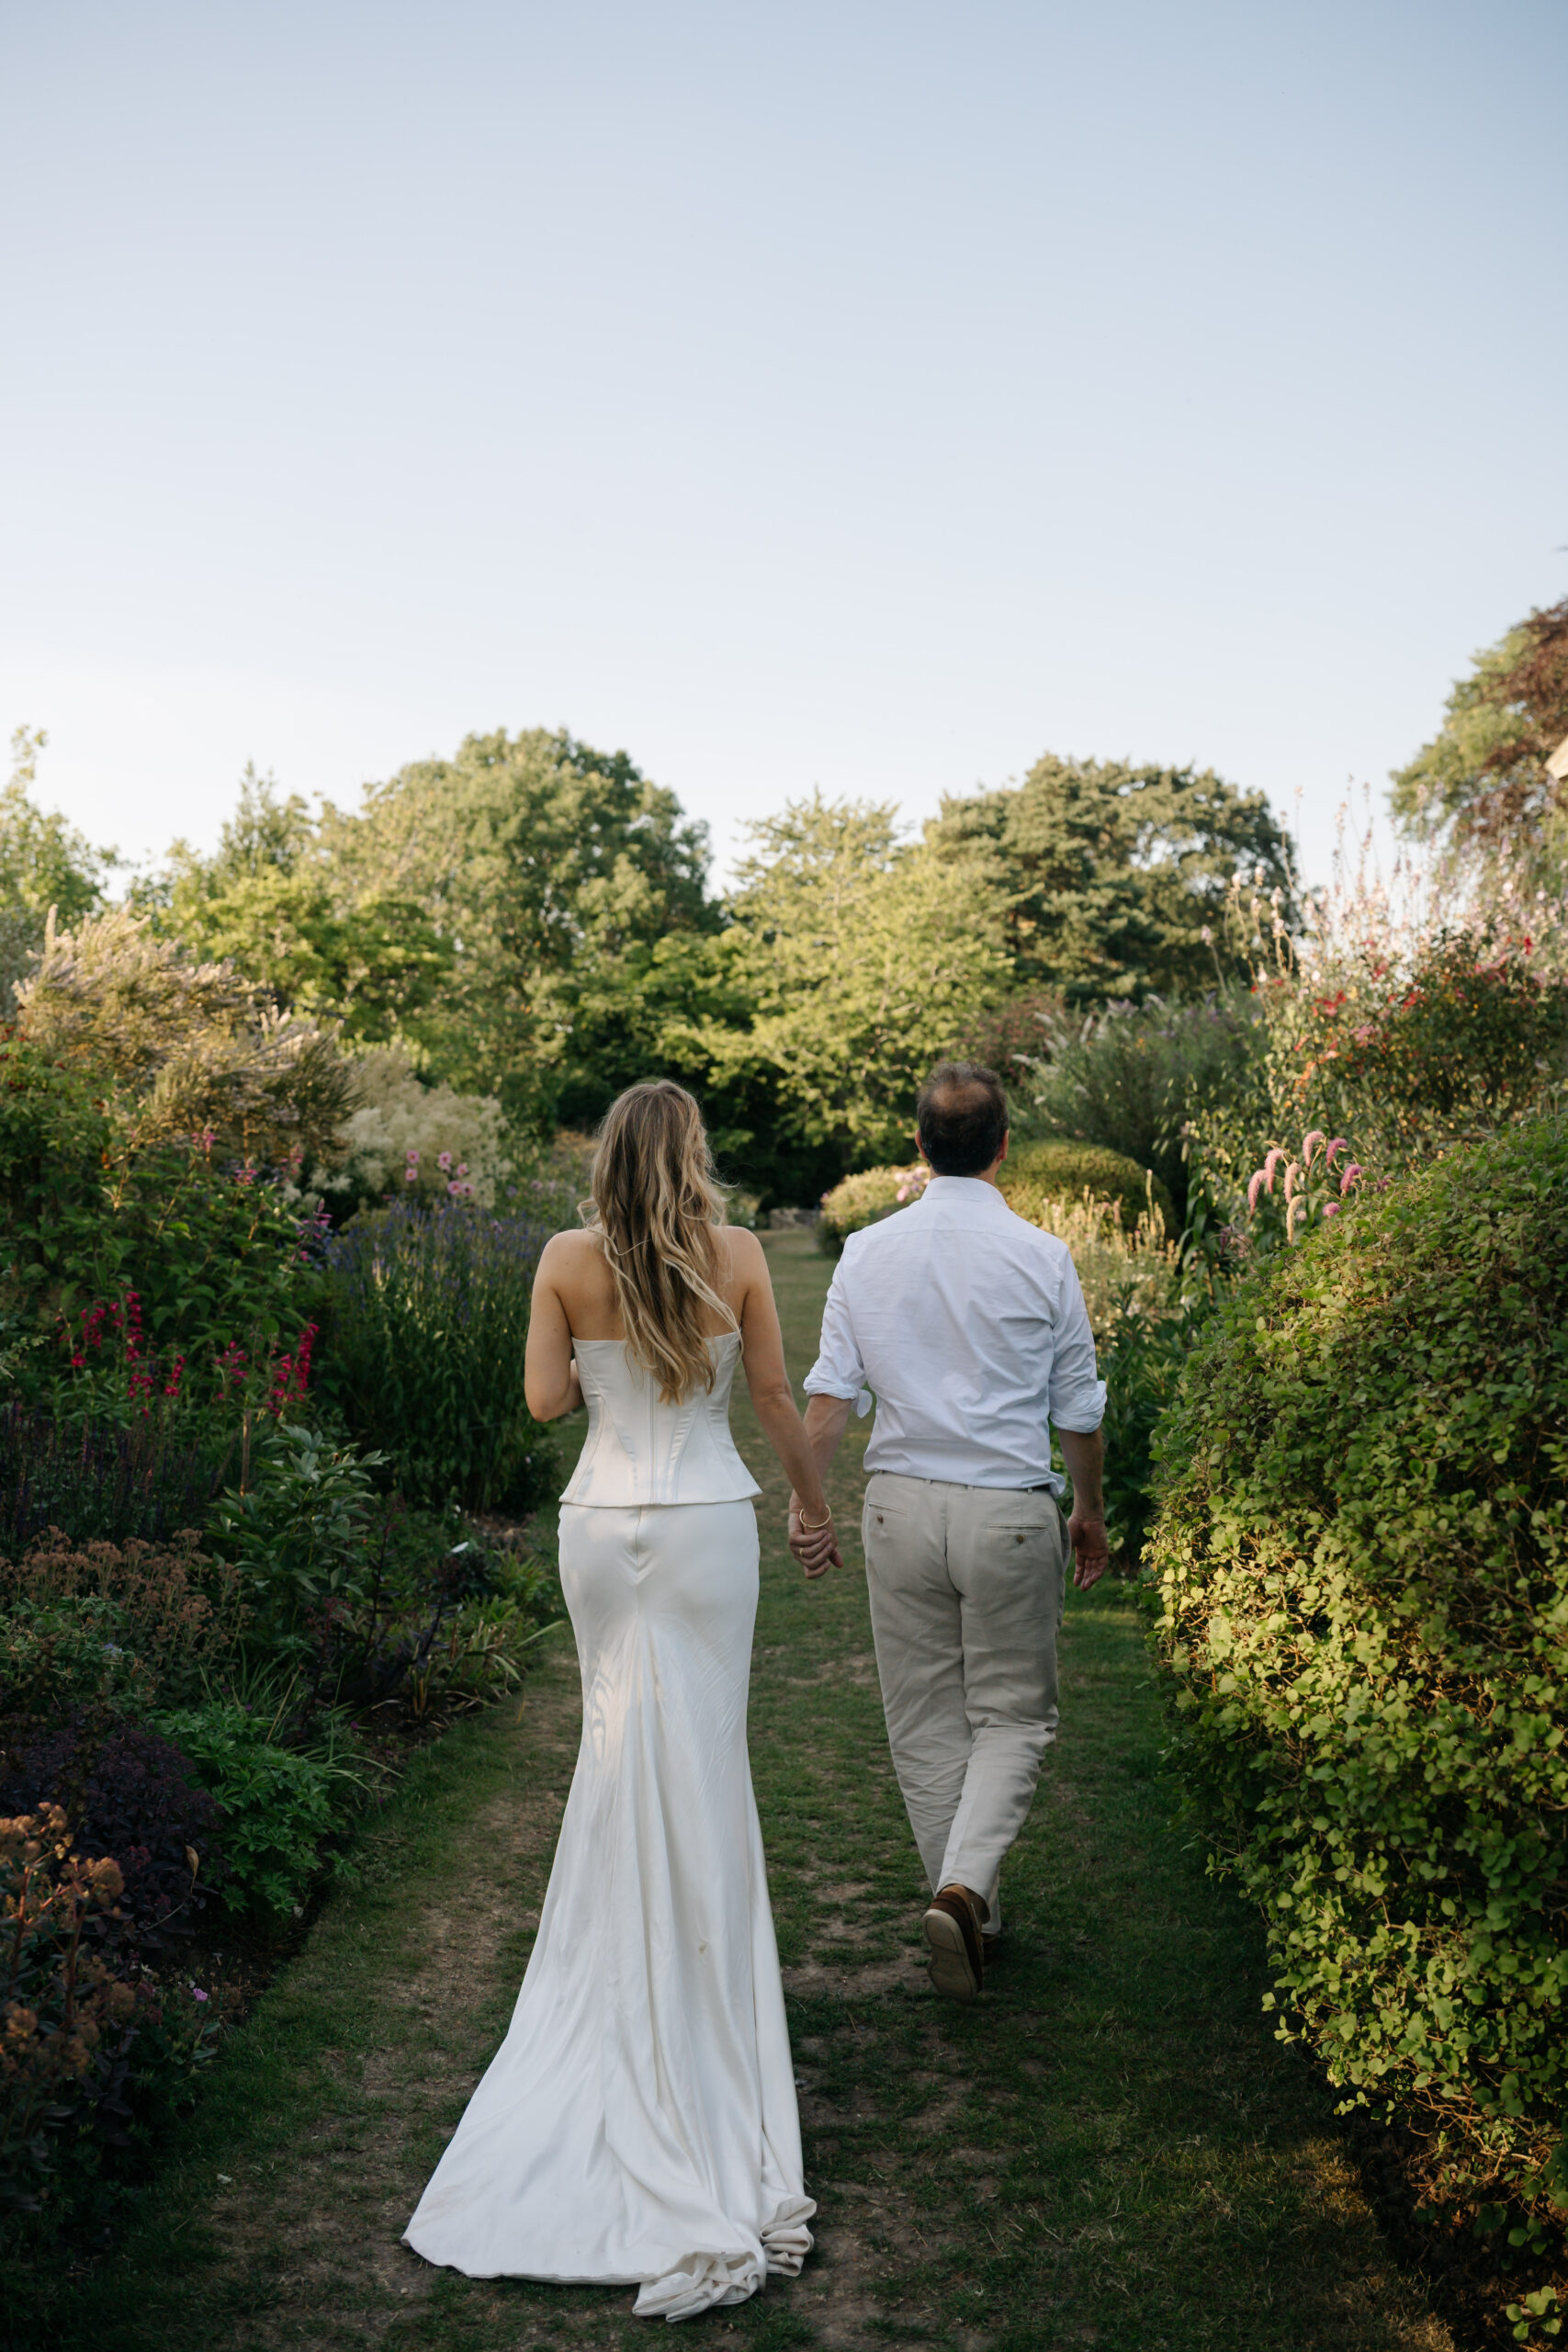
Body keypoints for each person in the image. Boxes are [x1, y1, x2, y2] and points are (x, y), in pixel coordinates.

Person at [403, 1080, 840, 2322]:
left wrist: (586, 1339)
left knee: (614, 1751)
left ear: (605, 1159)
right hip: (705, 1526)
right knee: (701, 1763)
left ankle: (623, 2000)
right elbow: (766, 1401)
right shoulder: (741, 1253)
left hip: (603, 1524)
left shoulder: (560, 1258)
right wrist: (813, 1507)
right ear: (691, 1155)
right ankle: (706, 2026)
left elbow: (546, 1403)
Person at [788, 1060, 1109, 2005]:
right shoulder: (1043, 1256)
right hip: (1007, 1509)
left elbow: (829, 1399)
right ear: (1004, 1146)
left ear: (920, 1145)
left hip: (899, 1508)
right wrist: (1087, 1509)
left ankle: (970, 1908)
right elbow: (1079, 1408)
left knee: (924, 1720)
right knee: (1013, 1715)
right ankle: (967, 1895)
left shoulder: (866, 1253)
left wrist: (811, 1507)